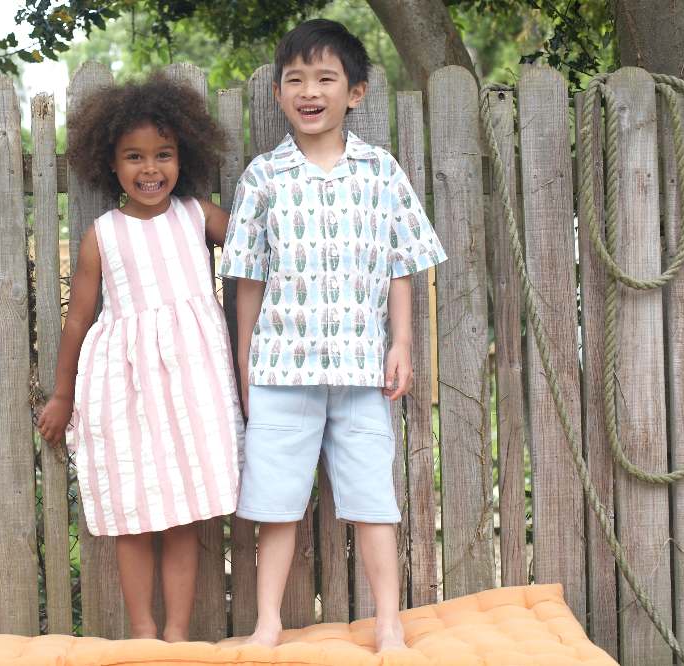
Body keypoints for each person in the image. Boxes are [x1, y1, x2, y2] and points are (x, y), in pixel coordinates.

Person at [219, 19, 446, 652]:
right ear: (278, 94)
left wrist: (401, 344)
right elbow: (248, 281)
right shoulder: (263, 179)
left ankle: (389, 625)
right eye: (295, 79)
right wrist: (245, 364)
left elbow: (402, 264)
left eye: (326, 78)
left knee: (375, 500)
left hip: (362, 368)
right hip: (279, 372)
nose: (309, 90)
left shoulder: (381, 172)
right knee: (275, 504)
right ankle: (267, 624)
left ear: (356, 92)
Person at [38, 75, 244, 642]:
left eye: (163, 154)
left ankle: (177, 636)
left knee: (183, 513)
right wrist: (61, 396)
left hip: (192, 383)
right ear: (111, 162)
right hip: (124, 388)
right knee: (134, 514)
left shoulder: (198, 216)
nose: (150, 168)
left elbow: (260, 251)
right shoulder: (101, 236)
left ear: (184, 157)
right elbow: (78, 320)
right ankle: (143, 633)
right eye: (134, 156)